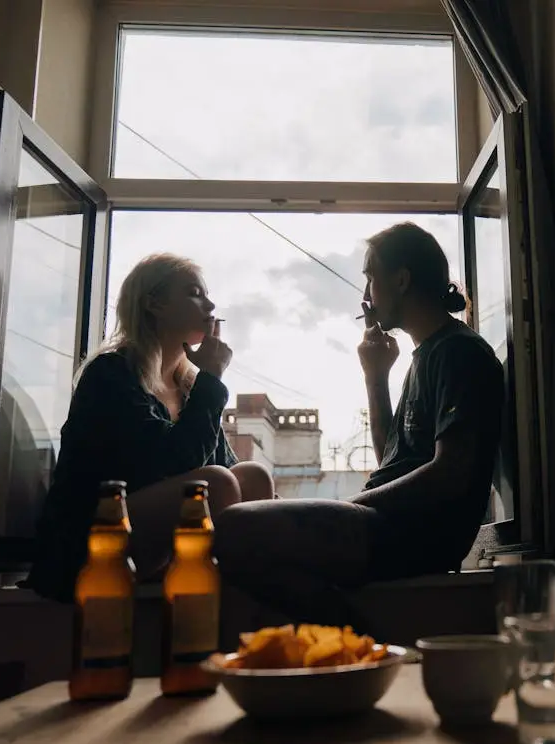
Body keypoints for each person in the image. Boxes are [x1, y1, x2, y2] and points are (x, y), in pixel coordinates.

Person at [213, 222, 504, 602]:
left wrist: (352, 505)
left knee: (236, 527)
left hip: (413, 537)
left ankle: (349, 634)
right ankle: (341, 633)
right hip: (389, 527)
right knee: (244, 525)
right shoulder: (427, 355)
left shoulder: (459, 353)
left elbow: (451, 473)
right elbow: (391, 459)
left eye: (370, 277)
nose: (366, 295)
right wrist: (376, 377)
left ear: (401, 280)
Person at [25, 253, 274, 603]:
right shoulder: (111, 374)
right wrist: (212, 379)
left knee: (253, 476)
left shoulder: (187, 387)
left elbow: (225, 465)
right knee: (214, 484)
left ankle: (244, 597)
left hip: (152, 535)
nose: (211, 303)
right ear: (154, 304)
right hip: (90, 545)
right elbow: (172, 464)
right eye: (194, 293)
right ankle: (214, 591)